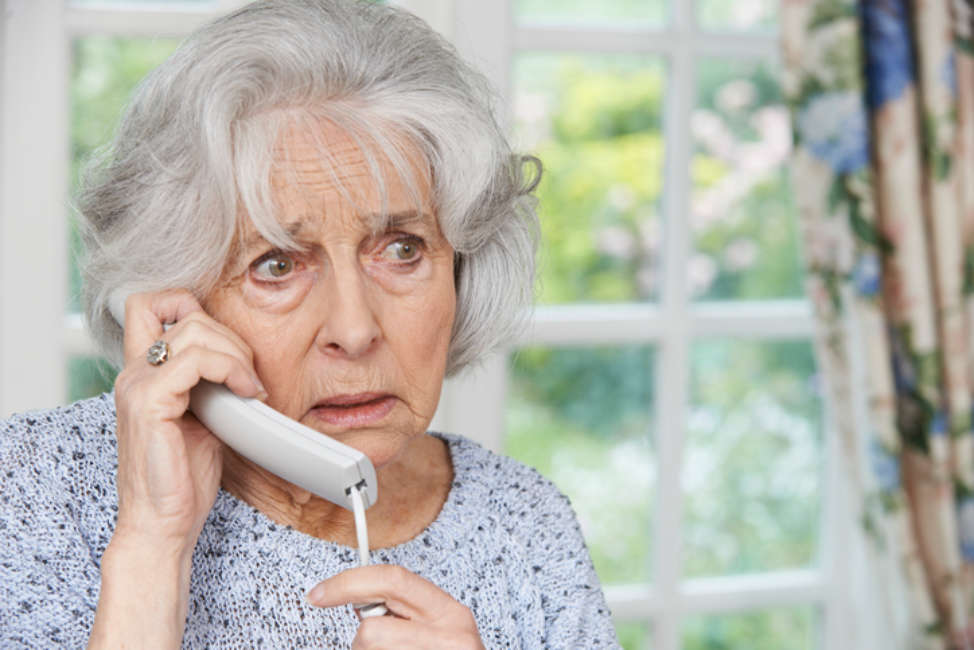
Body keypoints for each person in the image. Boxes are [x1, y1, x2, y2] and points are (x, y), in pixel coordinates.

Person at [0, 0, 619, 647]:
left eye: (402, 249)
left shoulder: (525, 524)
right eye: (276, 264)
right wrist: (153, 546)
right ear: (178, 301)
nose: (354, 331)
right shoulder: (28, 492)